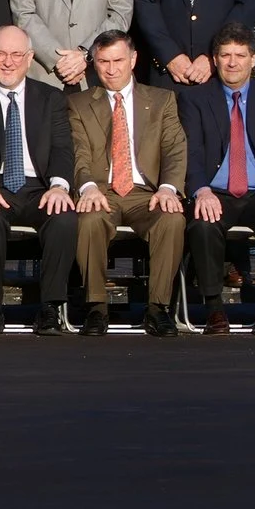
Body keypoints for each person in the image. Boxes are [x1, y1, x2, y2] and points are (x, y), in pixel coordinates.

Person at [180, 25, 255, 335]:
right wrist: (200, 190)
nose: (232, 62)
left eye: (240, 55)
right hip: (215, 191)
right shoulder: (195, 100)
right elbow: (191, 151)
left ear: (253, 59)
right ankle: (213, 308)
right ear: (215, 59)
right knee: (202, 224)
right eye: (225, 55)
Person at [69, 30, 188, 336]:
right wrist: (87, 187)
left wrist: (168, 188)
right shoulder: (79, 104)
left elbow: (174, 149)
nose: (111, 69)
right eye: (103, 62)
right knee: (89, 219)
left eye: (118, 61)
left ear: (133, 60)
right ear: (94, 63)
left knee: (172, 219)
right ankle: (96, 307)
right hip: (102, 191)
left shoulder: (161, 100)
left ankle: (158, 308)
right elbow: (79, 153)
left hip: (147, 193)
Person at [0, 24, 76, 335]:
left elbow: (63, 148)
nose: (8, 62)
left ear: (29, 58)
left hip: (40, 186)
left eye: (15, 54)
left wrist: (59, 186)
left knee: (63, 217)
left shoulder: (51, 98)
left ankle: (50, 308)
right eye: (0, 54)